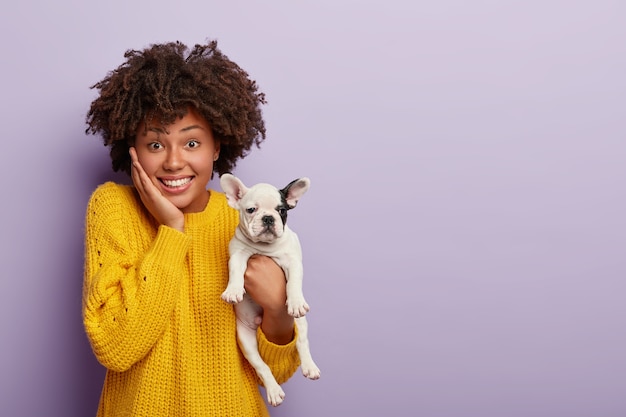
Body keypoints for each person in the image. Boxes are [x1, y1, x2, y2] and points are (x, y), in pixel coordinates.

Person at [82, 40, 300, 417]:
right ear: (131, 146)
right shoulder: (113, 209)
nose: (173, 161)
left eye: (192, 142)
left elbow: (279, 373)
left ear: (217, 146)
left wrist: (278, 306)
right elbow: (115, 345)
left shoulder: (247, 220)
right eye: (154, 143)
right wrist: (172, 229)